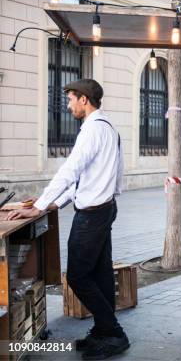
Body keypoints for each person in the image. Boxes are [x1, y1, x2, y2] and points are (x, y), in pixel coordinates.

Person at [7, 79, 129, 359]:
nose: (69, 105)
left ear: (84, 100)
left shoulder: (92, 131)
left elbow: (70, 171)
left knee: (76, 275)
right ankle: (103, 330)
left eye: (72, 99)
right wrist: (53, 203)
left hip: (92, 215)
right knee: (99, 273)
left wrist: (38, 207)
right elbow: (92, 176)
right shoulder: (108, 127)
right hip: (104, 208)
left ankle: (113, 333)